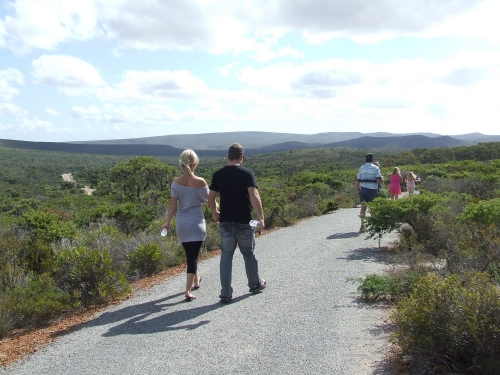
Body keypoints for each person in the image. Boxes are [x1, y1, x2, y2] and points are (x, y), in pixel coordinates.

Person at [208, 143, 266, 304]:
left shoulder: (218, 174)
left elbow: (210, 198)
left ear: (228, 156)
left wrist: (215, 213)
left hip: (225, 222)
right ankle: (254, 284)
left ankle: (225, 293)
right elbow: (253, 194)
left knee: (226, 255)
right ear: (241, 157)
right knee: (248, 253)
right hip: (244, 221)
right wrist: (261, 217)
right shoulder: (247, 173)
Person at [162, 149, 209, 302]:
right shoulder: (200, 182)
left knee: (190, 255)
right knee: (193, 256)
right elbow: (209, 200)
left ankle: (196, 280)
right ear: (195, 164)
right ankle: (187, 290)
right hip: (196, 223)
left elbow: (172, 204)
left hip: (181, 223)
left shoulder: (176, 183)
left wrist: (167, 222)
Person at [356, 153, 383, 231]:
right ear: (372, 160)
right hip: (372, 190)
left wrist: (358, 190)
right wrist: (382, 180)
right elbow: (379, 179)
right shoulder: (376, 168)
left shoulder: (362, 167)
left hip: (363, 189)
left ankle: (362, 224)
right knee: (372, 208)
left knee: (363, 208)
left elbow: (358, 180)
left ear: (365, 160)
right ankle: (373, 224)